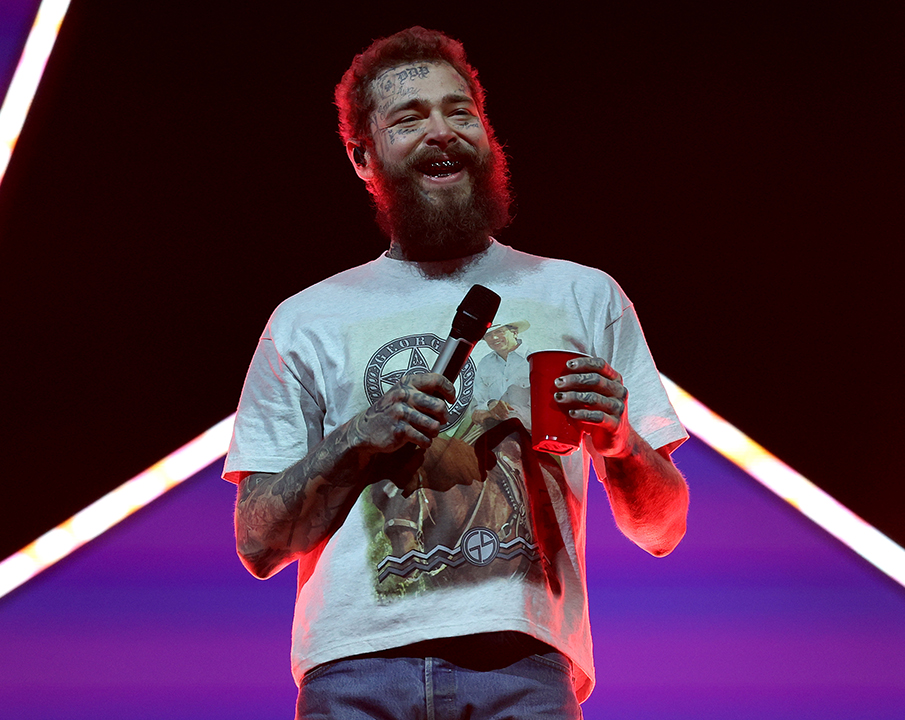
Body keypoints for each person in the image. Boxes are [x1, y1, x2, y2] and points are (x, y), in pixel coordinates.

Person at [223, 26, 689, 719]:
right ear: (362, 156)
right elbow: (258, 543)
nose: (442, 131)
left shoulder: (582, 295)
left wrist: (619, 441)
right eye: (409, 119)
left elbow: (663, 528)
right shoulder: (305, 319)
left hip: (523, 670)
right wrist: (359, 435)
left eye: (459, 112)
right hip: (353, 675)